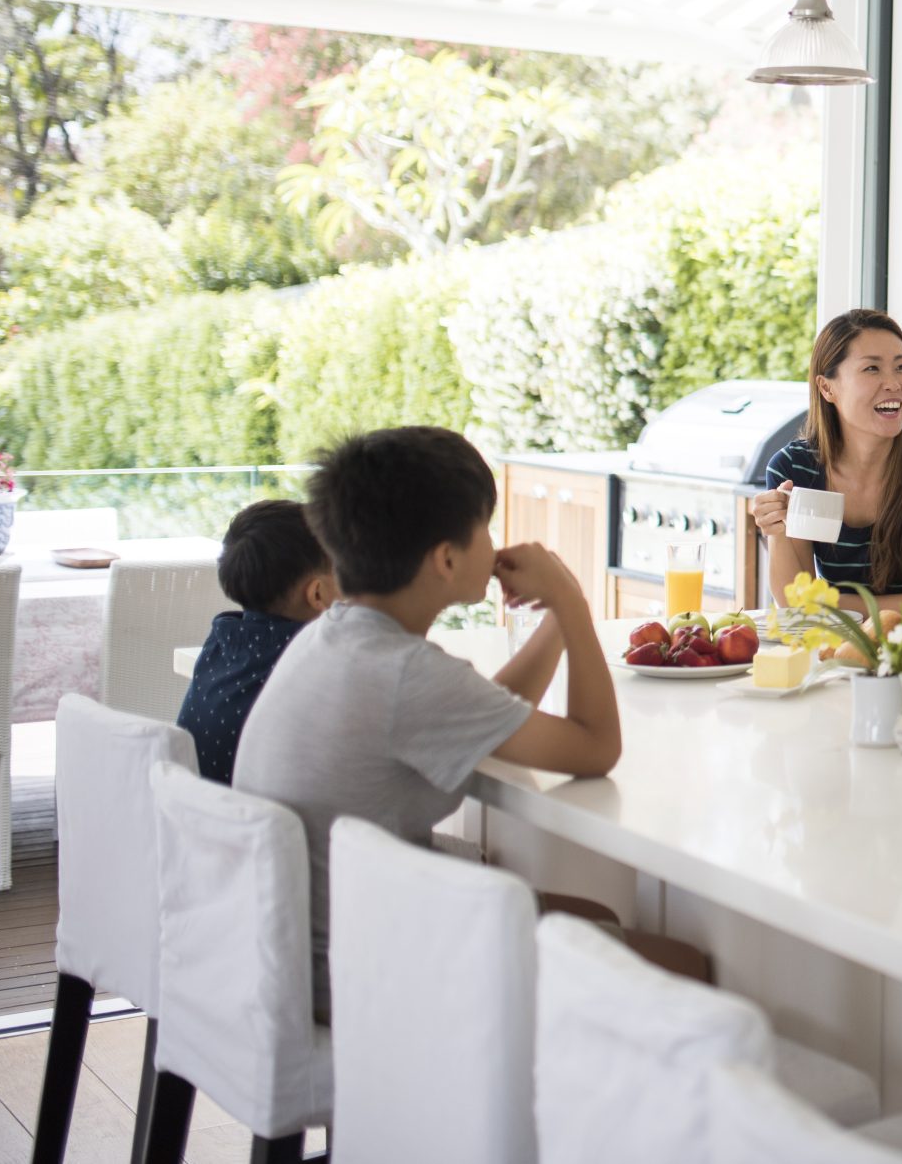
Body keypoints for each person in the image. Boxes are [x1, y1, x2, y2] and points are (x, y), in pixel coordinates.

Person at [234, 425, 629, 1015]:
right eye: (485, 529)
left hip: (295, 957)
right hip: (364, 976)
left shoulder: (332, 639)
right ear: (446, 558)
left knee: (592, 921)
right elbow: (597, 749)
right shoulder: (406, 675)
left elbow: (485, 722)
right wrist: (572, 602)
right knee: (670, 965)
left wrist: (554, 617)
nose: (494, 546)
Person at [755, 309, 902, 623]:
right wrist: (777, 530)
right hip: (836, 644)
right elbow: (792, 602)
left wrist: (821, 604)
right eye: (872, 368)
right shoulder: (795, 467)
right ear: (827, 388)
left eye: (901, 367)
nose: (894, 383)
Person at [176, 499, 334, 784]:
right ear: (318, 594)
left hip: (196, 817)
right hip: (265, 825)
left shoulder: (222, 641)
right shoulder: (315, 664)